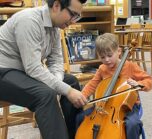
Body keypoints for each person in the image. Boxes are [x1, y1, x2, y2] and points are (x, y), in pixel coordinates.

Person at [0, 0, 88, 139]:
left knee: (70, 81)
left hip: (22, 72)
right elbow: (33, 68)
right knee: (45, 94)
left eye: (77, 17)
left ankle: (77, 136)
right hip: (3, 72)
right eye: (72, 15)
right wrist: (65, 90)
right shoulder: (29, 20)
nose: (74, 21)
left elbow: (56, 61)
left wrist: (61, 87)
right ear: (57, 5)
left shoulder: (55, 27)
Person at [77, 33, 152, 139]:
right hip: (103, 105)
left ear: (118, 51)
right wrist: (82, 96)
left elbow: (149, 80)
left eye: (109, 55)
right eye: (102, 57)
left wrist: (139, 84)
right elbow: (92, 85)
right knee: (80, 117)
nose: (106, 60)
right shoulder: (102, 69)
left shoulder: (130, 66)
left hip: (128, 106)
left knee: (133, 124)